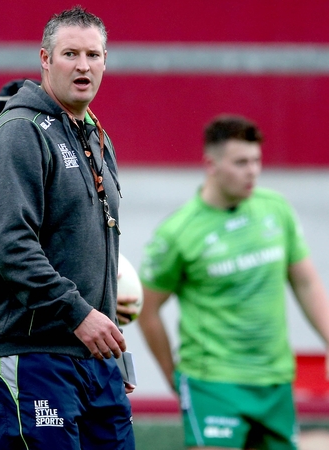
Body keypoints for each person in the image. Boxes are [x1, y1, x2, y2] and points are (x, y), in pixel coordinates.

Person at [0, 6, 135, 449]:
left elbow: (100, 249)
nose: (84, 66)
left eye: (94, 55)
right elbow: (13, 246)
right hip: (31, 350)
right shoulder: (19, 131)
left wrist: (115, 348)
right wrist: (80, 315)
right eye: (70, 54)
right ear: (45, 59)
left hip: (93, 356)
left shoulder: (97, 135)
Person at [138, 115, 329, 450]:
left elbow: (306, 283)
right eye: (241, 162)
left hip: (274, 379)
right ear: (211, 164)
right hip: (212, 383)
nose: (252, 171)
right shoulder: (178, 232)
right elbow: (147, 309)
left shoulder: (276, 209)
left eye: (256, 161)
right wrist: (173, 376)